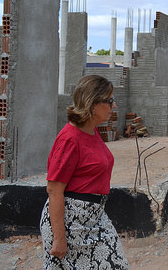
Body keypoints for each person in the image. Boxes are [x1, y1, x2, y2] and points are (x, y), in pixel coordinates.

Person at [40, 75, 129, 269]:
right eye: (110, 101)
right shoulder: (69, 139)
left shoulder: (92, 130)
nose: (114, 106)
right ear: (93, 104)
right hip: (71, 222)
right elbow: (54, 190)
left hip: (95, 217)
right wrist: (59, 238)